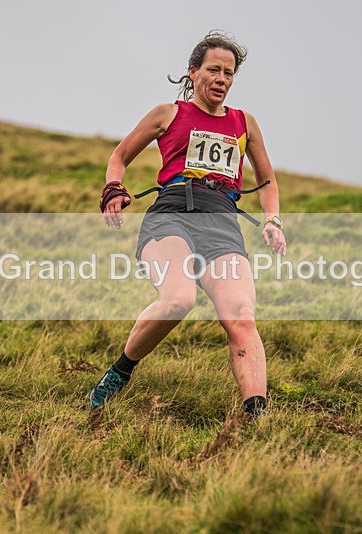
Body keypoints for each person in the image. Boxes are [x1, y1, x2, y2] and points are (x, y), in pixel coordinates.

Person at [90, 31, 286, 419]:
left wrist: (273, 221)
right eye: (213, 70)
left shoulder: (244, 122)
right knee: (179, 300)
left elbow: (267, 182)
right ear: (193, 72)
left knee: (242, 315)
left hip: (222, 223)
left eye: (229, 73)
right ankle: (121, 371)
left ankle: (256, 415)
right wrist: (114, 188)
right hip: (172, 214)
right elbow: (120, 155)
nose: (222, 79)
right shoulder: (169, 113)